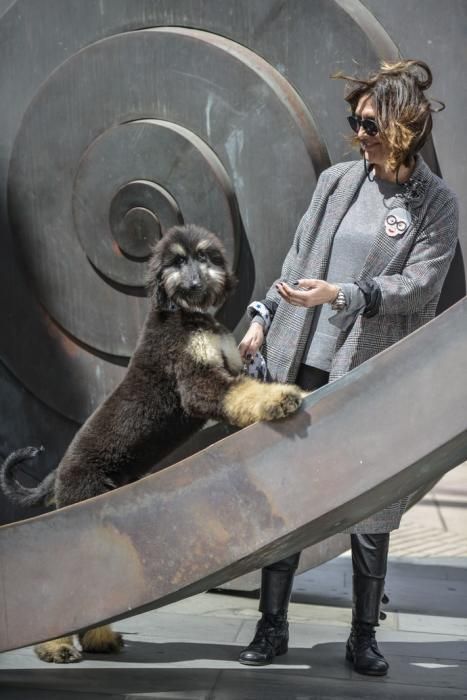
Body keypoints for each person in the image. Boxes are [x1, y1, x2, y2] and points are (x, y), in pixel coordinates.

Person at [237, 59, 458, 676]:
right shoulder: (338, 182)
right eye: (353, 122)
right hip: (303, 364)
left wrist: (344, 294)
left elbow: (419, 286)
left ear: (401, 128)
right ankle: (271, 623)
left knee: (370, 505)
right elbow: (298, 252)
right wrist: (261, 315)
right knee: (286, 495)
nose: (357, 134)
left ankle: (363, 636)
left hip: (369, 373)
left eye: (367, 124)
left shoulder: (436, 204)